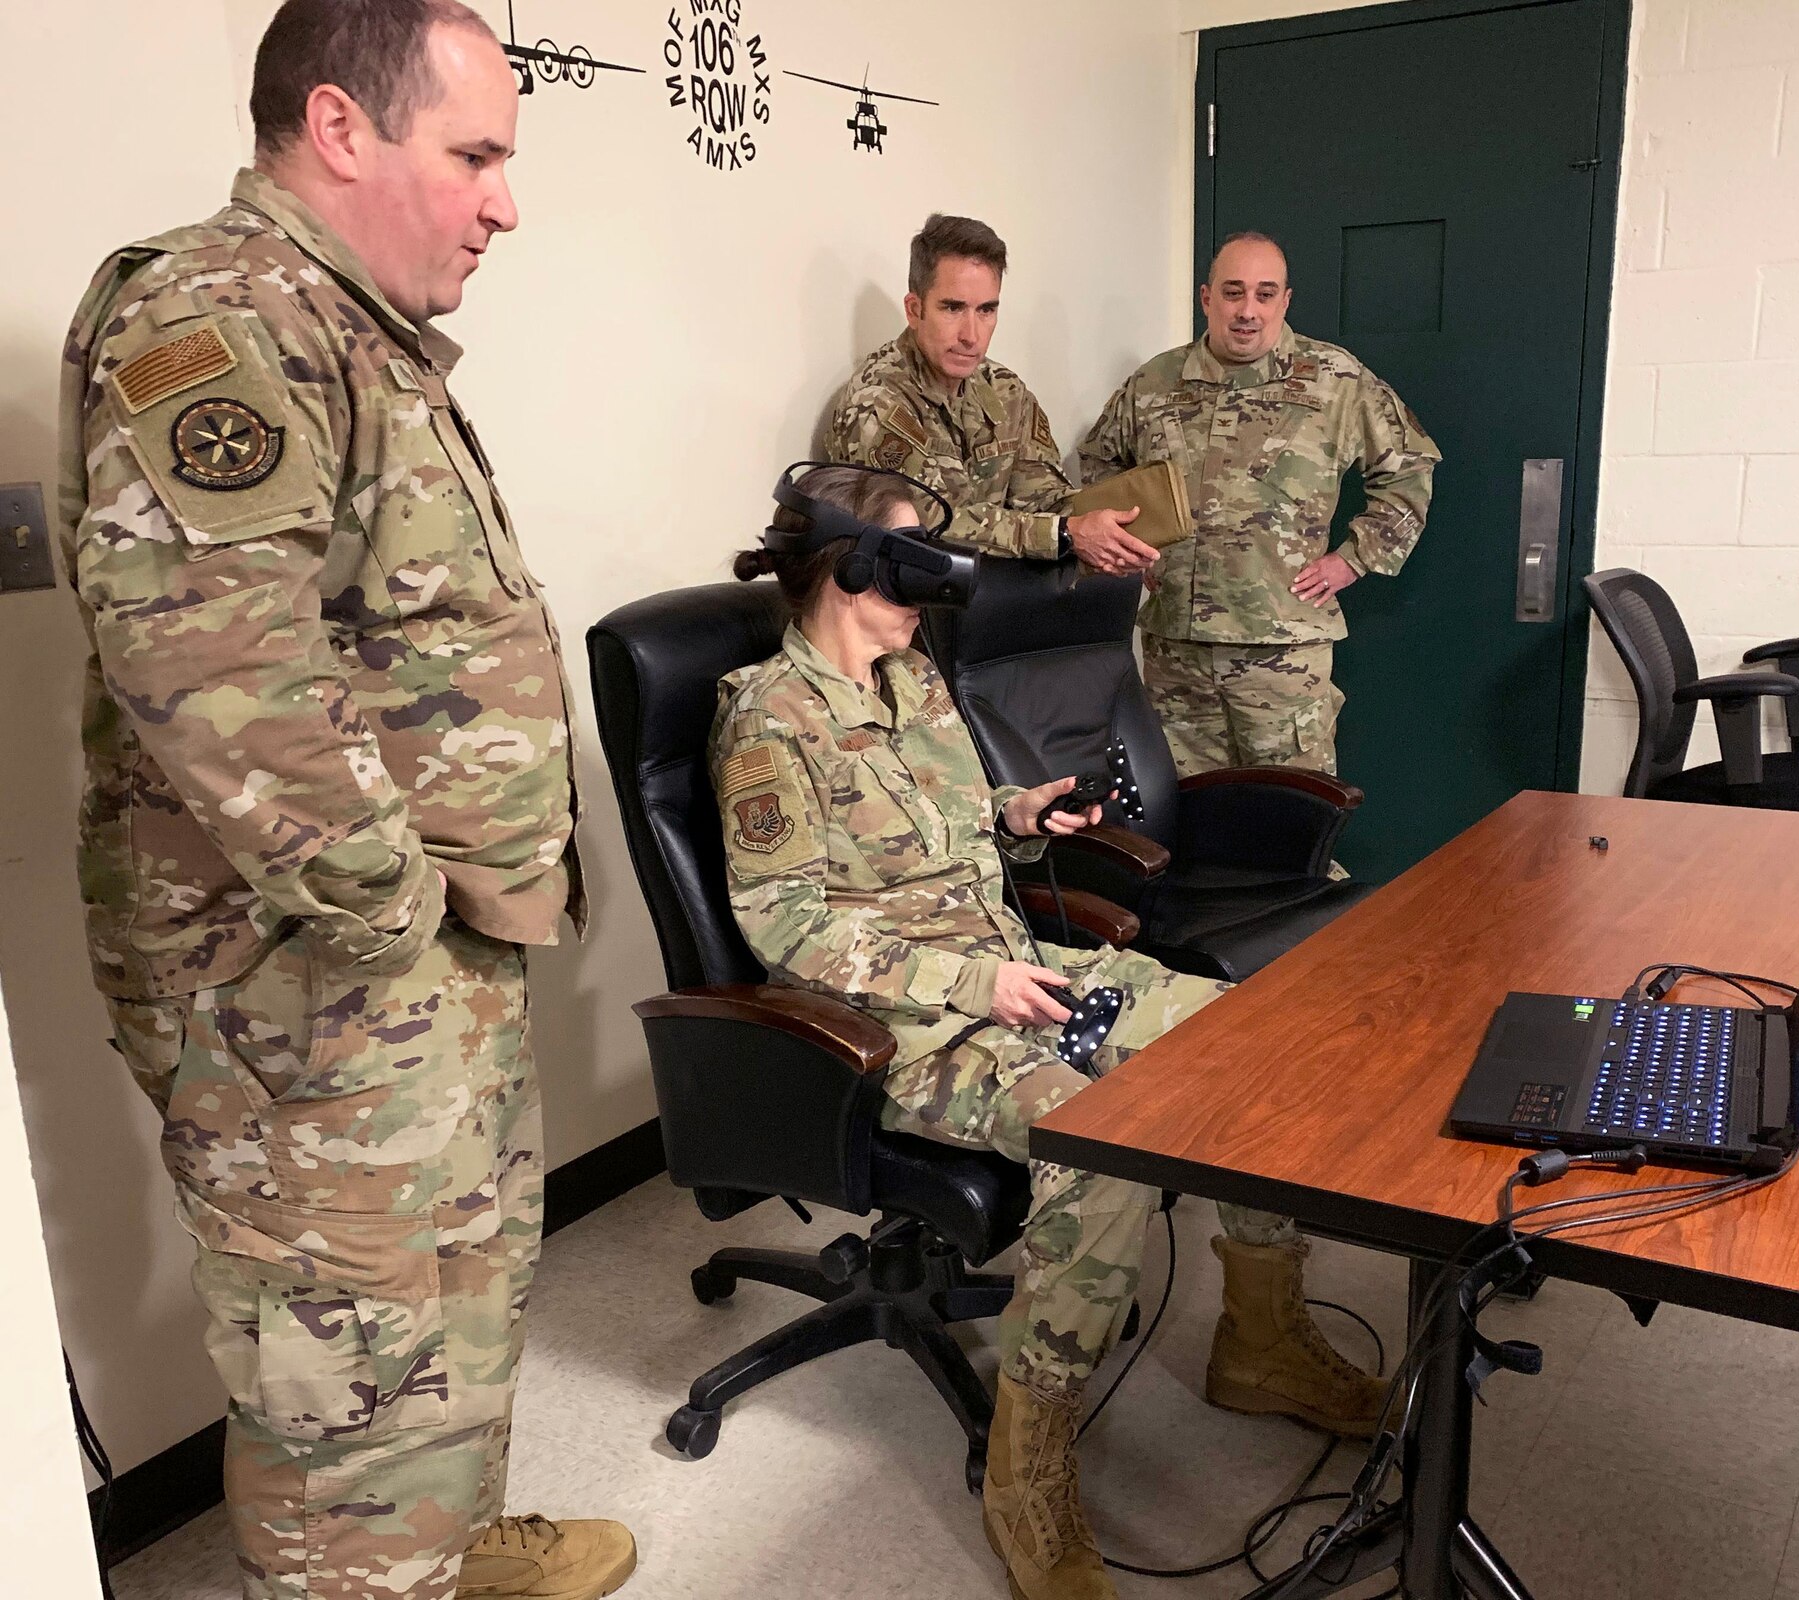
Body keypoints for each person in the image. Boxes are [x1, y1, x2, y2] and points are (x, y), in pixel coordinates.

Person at [55, 3, 632, 1595]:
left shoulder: (347, 324)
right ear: (338, 128)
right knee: (350, 1370)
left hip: (405, 964)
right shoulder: (217, 314)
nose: (504, 200)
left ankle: (449, 1552)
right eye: (476, 155)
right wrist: (392, 927)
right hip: (309, 981)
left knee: (454, 1290)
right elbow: (216, 663)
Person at [712, 464, 1388, 1600]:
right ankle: (1025, 1459)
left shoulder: (911, 679)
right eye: (907, 564)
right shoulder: (765, 718)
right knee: (1103, 1133)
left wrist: (1016, 817)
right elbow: (787, 929)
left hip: (1021, 965)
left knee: (1239, 1041)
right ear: (843, 567)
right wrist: (975, 983)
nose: (924, 593)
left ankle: (1259, 1338)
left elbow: (935, 829)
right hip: (905, 1027)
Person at [1079, 231, 1441, 786]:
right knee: (1186, 811)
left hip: (1283, 653)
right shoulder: (1155, 383)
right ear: (1206, 298)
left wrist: (1355, 557)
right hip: (1178, 650)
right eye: (1233, 292)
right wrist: (1132, 548)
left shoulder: (1335, 381)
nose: (1248, 311)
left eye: (1265, 294)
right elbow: (1100, 462)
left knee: (1292, 813)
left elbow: (1411, 466)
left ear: (1285, 302)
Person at [822, 212, 1156, 575]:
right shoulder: (877, 403)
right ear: (914, 310)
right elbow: (932, 525)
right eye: (952, 308)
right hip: (899, 615)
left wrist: (1118, 533)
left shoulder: (1005, 391)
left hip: (995, 609)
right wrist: (1063, 534)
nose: (971, 334)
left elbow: (1044, 499)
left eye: (986, 310)